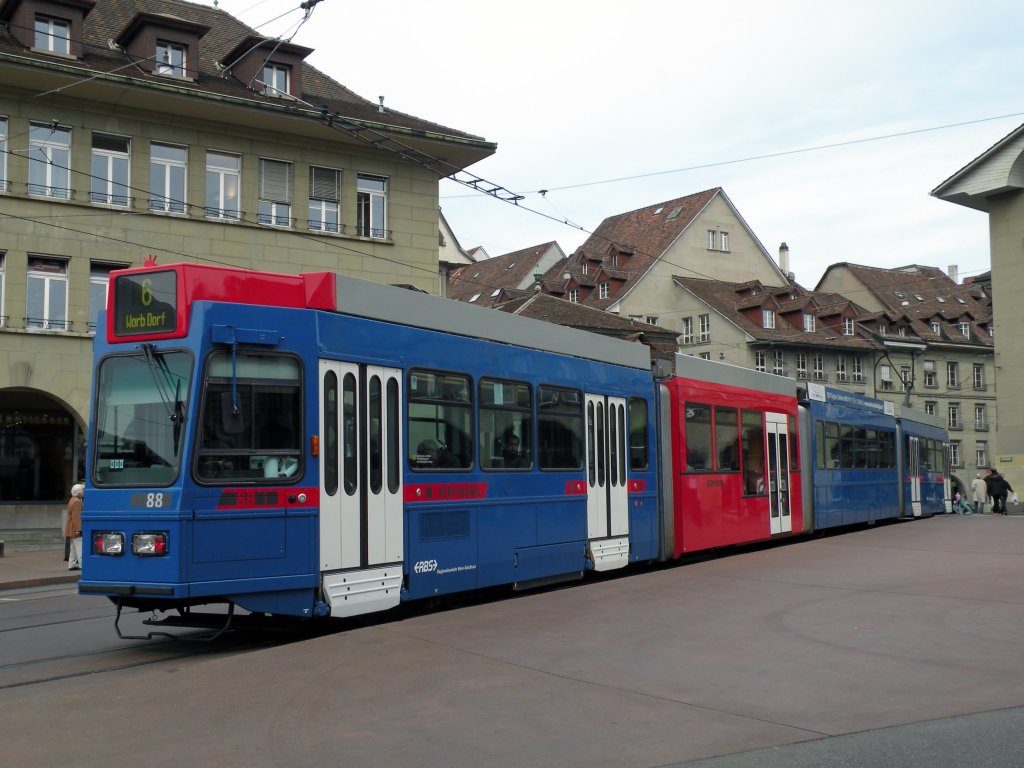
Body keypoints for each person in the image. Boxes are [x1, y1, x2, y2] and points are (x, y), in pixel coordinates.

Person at [65, 484, 84, 571]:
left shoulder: (72, 500)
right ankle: (82, 565)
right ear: (79, 493)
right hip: (75, 528)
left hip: (70, 527)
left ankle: (71, 564)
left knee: (73, 548)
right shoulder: (77, 502)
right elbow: (77, 518)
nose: (83, 493)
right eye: (82, 491)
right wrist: (78, 530)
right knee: (79, 546)